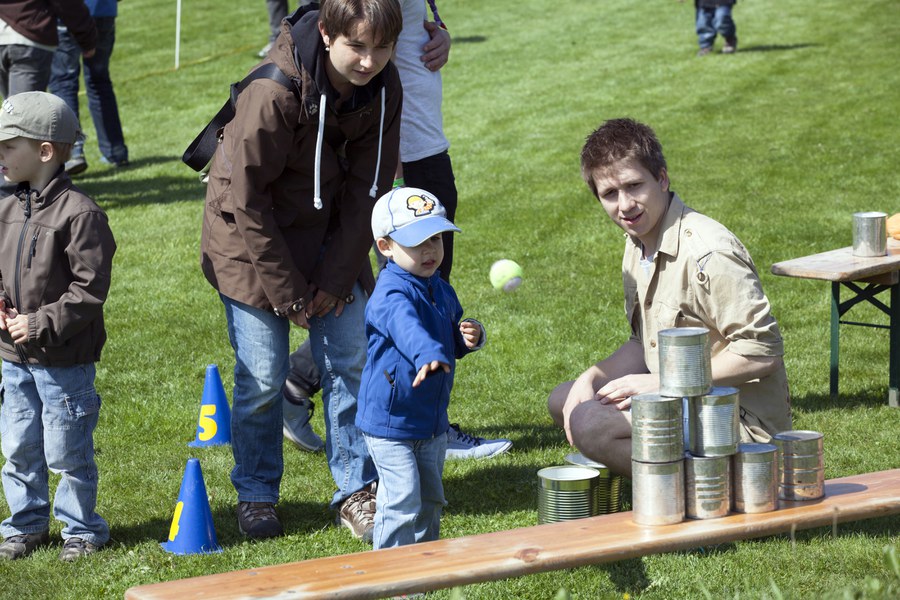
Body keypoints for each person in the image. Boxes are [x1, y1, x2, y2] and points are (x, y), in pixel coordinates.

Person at [199, 0, 403, 541]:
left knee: (351, 362)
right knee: (262, 377)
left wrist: (337, 278)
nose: (369, 60)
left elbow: (370, 189)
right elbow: (246, 202)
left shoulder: (384, 86)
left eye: (381, 48)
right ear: (330, 34)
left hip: (329, 235)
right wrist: (290, 294)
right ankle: (257, 493)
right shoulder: (274, 90)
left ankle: (355, 490)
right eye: (357, 46)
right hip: (248, 240)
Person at [282, 0, 513, 461]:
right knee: (407, 290)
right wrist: (395, 158)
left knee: (423, 286)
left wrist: (438, 26)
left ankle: (298, 383)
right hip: (396, 136)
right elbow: (341, 21)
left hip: (420, 130)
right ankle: (421, 426)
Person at [547, 118, 791, 477]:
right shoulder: (638, 242)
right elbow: (641, 341)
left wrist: (663, 384)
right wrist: (589, 378)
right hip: (686, 401)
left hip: (737, 423)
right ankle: (675, 474)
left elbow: (763, 352)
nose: (625, 205)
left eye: (634, 186)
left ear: (662, 178)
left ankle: (703, 492)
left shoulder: (708, 252)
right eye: (609, 194)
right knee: (566, 399)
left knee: (589, 423)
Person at [0, 92, 116, 561]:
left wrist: (40, 322)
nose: (1, 155)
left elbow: (89, 291)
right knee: (19, 445)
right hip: (12, 358)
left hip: (64, 361)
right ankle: (25, 524)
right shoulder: (5, 209)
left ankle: (81, 530)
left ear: (45, 151)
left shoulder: (81, 215)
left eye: (9, 146)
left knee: (67, 450)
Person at [358, 186, 484, 549]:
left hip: (431, 420)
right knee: (401, 500)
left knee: (430, 497)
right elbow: (405, 326)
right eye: (417, 243)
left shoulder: (439, 288)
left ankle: (426, 565)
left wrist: (467, 337)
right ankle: (392, 575)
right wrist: (427, 351)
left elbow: (451, 333)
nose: (430, 250)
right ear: (386, 247)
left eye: (436, 238)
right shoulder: (389, 293)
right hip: (390, 421)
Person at [49, 0, 129, 176]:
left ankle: (73, 152)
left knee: (64, 83)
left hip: (68, 14)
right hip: (104, 12)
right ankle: (116, 152)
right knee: (99, 82)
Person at [0, 0, 96, 98]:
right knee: (23, 109)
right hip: (30, 38)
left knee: (13, 108)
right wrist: (87, 38)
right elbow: (67, 4)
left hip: (20, 35)